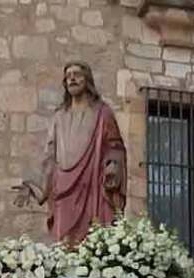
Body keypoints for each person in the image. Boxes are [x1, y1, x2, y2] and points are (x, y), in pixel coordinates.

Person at [11, 62, 127, 245]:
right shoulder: (59, 117)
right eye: (68, 76)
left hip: (91, 185)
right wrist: (36, 188)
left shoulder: (103, 114)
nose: (72, 78)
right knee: (63, 241)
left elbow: (115, 146)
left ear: (87, 79)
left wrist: (113, 164)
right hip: (63, 187)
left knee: (92, 240)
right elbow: (50, 156)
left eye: (77, 74)